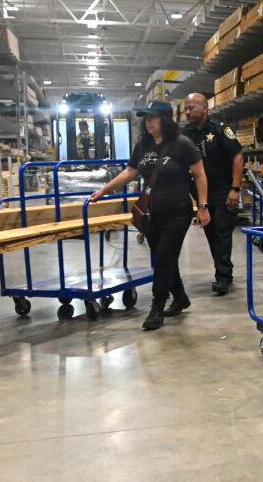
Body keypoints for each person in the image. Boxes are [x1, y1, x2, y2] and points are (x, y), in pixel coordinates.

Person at [90, 101, 210, 331]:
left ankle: (157, 309)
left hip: (177, 211)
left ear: (164, 120)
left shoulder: (182, 144)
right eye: (145, 118)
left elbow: (200, 174)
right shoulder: (143, 145)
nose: (147, 122)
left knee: (164, 256)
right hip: (152, 212)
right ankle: (181, 297)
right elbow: (131, 172)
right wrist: (105, 190)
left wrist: (203, 206)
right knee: (163, 256)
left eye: (152, 118)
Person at [182, 92, 244, 295]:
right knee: (211, 234)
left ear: (205, 108)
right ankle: (223, 272)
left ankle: (223, 277)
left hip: (223, 192)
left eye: (192, 107)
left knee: (222, 234)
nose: (188, 111)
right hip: (202, 196)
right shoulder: (186, 134)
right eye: (186, 108)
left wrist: (235, 189)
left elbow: (237, 156)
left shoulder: (220, 129)